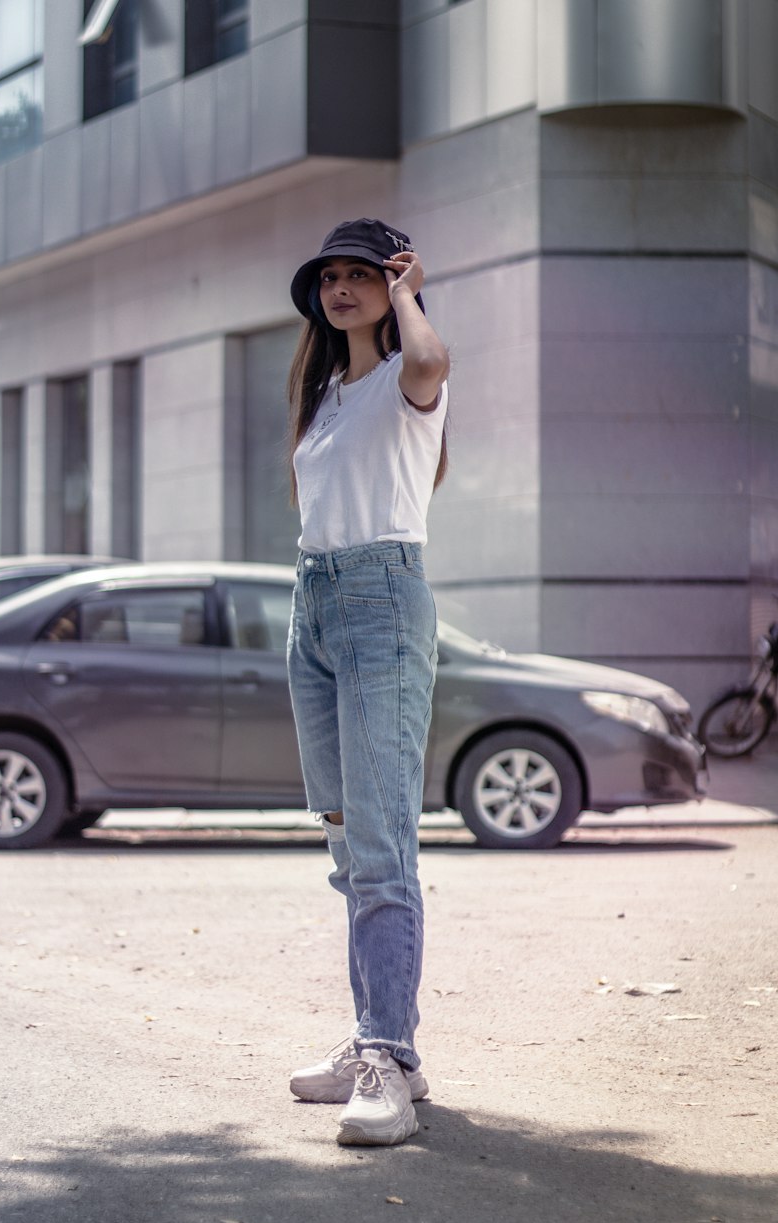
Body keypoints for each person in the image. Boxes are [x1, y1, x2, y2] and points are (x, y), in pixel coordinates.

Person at [284, 218, 450, 1147]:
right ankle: (378, 1044)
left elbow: (431, 356)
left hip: (384, 601)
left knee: (384, 847)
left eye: (363, 273)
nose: (343, 287)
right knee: (349, 848)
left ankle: (389, 1057)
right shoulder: (325, 398)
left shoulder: (405, 378)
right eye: (331, 276)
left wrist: (415, 291)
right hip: (316, 605)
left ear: (393, 284)